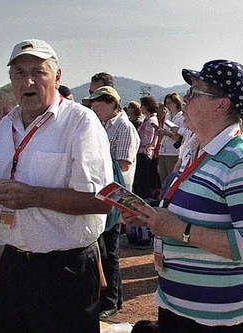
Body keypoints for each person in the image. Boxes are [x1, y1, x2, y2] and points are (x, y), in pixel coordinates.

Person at [124, 59, 243, 332]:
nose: (185, 101)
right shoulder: (195, 148)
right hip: (178, 300)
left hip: (217, 311)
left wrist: (180, 230)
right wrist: (150, 216)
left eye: (194, 93)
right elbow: (188, 210)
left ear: (221, 104)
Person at [0, 39, 112, 333]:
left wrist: (34, 197)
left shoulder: (81, 122)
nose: (28, 80)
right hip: (13, 264)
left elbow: (103, 200)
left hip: (65, 271)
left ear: (58, 77)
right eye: (19, 73)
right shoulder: (6, 126)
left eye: (38, 71)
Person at [83, 86, 140, 319]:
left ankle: (112, 301)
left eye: (99, 104)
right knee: (104, 250)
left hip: (117, 198)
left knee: (111, 252)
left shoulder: (124, 127)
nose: (95, 108)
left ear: (112, 104)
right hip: (106, 194)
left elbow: (124, 163)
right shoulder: (104, 126)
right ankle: (110, 298)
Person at [133, 95, 160, 199]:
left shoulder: (151, 121)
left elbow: (147, 140)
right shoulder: (147, 119)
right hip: (141, 153)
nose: (141, 108)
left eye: (142, 106)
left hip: (144, 154)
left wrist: (135, 143)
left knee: (142, 182)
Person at [156, 93, 185, 185]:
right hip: (163, 150)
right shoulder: (168, 116)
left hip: (174, 152)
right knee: (163, 179)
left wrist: (168, 134)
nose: (168, 105)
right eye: (166, 103)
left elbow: (182, 138)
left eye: (170, 103)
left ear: (176, 103)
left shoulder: (182, 117)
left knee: (172, 179)